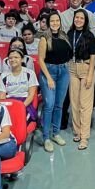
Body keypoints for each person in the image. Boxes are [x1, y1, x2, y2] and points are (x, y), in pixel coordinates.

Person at [37, 12, 72, 152]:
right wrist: (49, 78)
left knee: (59, 105)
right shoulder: (45, 38)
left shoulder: (64, 35)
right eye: (52, 21)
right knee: (49, 105)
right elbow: (40, 59)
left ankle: (55, 133)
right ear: (48, 22)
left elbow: (68, 54)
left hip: (63, 72)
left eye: (57, 20)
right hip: (49, 72)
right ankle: (46, 137)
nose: (55, 23)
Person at [65, 9, 95, 150]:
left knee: (85, 105)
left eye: (81, 18)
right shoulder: (69, 34)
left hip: (85, 68)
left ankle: (84, 137)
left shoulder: (89, 36)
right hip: (72, 68)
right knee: (75, 103)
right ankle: (77, 131)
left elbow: (93, 56)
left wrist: (90, 75)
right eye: (76, 17)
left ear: (85, 21)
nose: (78, 20)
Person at [0, 49, 39, 122]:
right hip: (10, 102)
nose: (13, 59)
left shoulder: (30, 73)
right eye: (10, 58)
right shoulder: (3, 75)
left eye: (16, 57)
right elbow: (2, 96)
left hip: (25, 102)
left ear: (22, 59)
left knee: (21, 119)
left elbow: (31, 95)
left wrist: (21, 107)